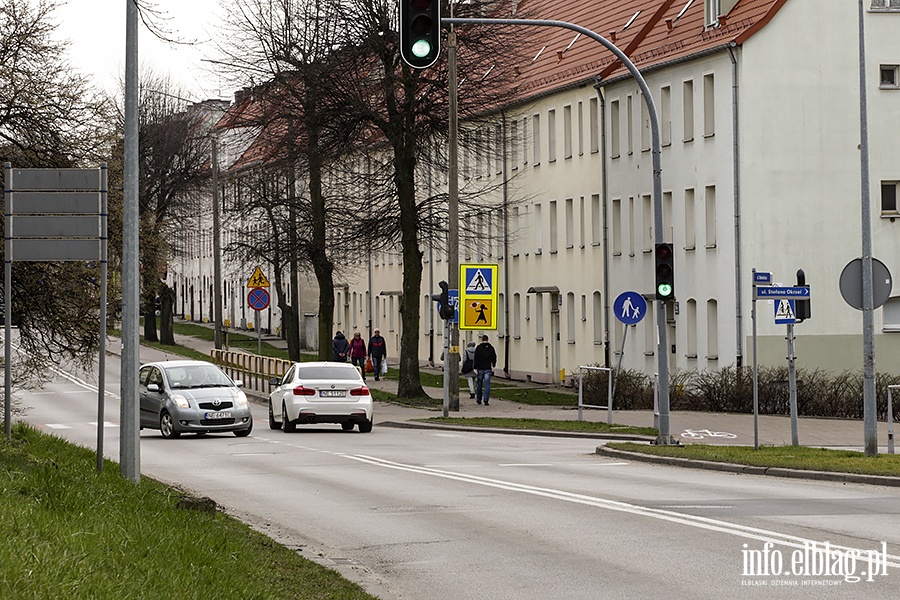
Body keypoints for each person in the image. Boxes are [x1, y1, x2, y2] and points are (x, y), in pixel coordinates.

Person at [473, 334, 497, 405]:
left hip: (480, 368)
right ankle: (486, 400)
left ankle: (478, 399)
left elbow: (476, 358)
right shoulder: (491, 348)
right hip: (488, 368)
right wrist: (493, 364)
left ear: (482, 340)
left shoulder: (478, 348)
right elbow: (494, 357)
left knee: (479, 384)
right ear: (487, 339)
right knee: (487, 384)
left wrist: (475, 367)